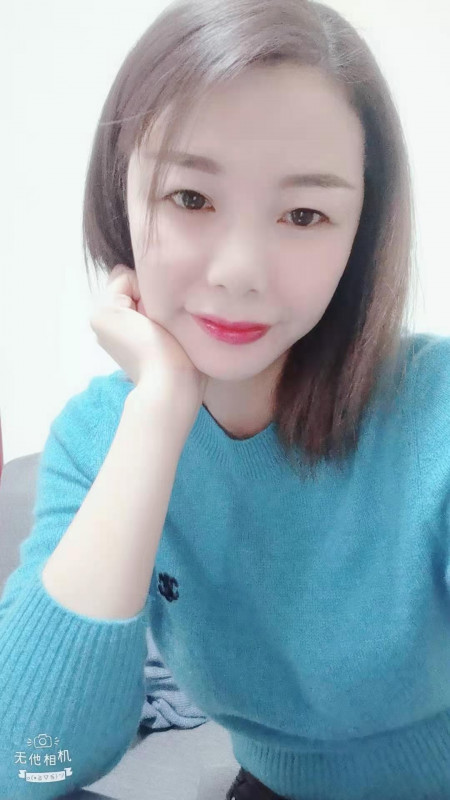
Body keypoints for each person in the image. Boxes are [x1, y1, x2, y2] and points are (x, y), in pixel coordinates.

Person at [1, 1, 449, 798]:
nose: (239, 270)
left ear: (360, 233)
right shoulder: (98, 439)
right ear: (121, 196)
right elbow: (31, 764)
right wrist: (158, 413)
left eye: (304, 214)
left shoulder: (434, 411)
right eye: (191, 199)